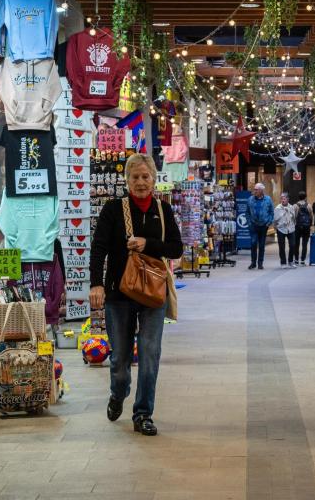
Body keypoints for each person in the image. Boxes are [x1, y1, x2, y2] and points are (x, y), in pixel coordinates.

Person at [90, 154, 183, 437]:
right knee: (119, 360)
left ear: (154, 178)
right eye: (135, 177)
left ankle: (143, 413)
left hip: (153, 296)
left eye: (146, 177)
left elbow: (176, 249)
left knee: (150, 353)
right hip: (119, 295)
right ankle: (118, 393)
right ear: (126, 180)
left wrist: (148, 244)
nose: (141, 182)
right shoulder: (113, 209)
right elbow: (98, 248)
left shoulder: (163, 210)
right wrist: (96, 284)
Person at [246, 183, 274, 270]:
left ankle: (260, 263)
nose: (254, 191)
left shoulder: (268, 199)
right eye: (254, 189)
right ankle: (253, 262)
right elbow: (247, 212)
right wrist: (249, 223)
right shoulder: (250, 199)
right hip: (253, 225)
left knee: (261, 245)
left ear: (261, 191)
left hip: (263, 226)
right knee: (253, 243)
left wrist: (269, 222)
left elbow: (271, 212)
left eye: (256, 189)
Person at [273, 192, 298, 268]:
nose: (282, 200)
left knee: (293, 245)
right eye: (281, 198)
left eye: (284, 198)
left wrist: (293, 224)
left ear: (288, 199)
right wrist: (276, 227)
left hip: (290, 229)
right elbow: (275, 220)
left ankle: (290, 261)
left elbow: (294, 217)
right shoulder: (277, 208)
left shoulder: (291, 207)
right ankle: (283, 263)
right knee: (281, 247)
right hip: (281, 229)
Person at [294, 192, 313, 266]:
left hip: (297, 226)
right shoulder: (309, 205)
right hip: (306, 227)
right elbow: (311, 216)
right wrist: (310, 225)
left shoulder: (295, 206)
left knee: (296, 244)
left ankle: (296, 260)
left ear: (298, 197)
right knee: (304, 244)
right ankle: (302, 260)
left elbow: (293, 216)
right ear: (305, 197)